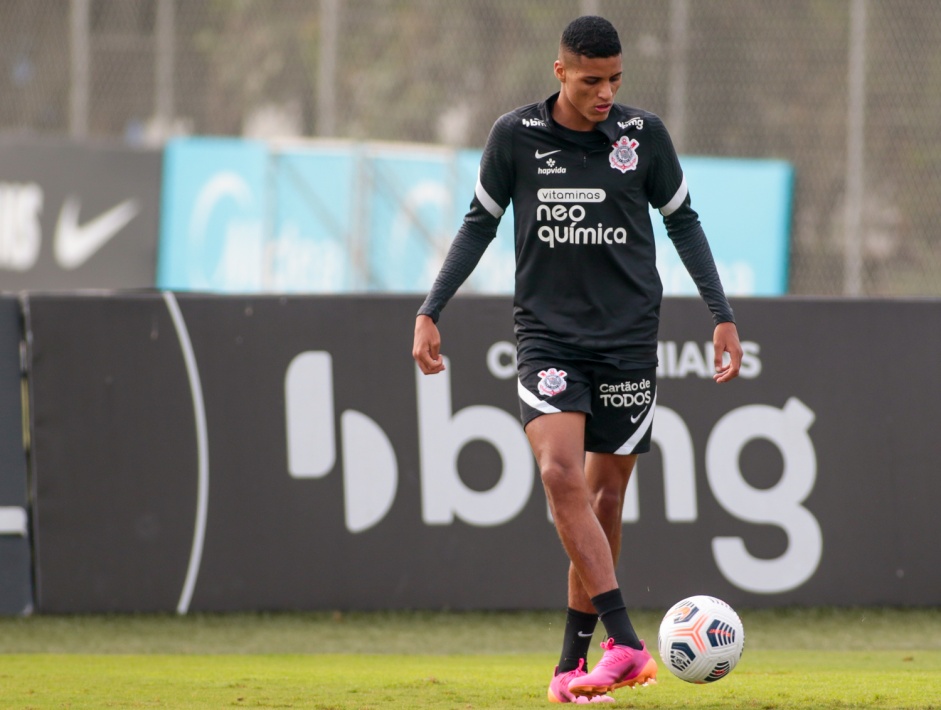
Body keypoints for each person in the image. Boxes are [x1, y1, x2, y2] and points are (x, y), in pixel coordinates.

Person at [412, 15, 742, 703]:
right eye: (591, 81)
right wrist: (430, 308)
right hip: (548, 338)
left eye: (614, 81)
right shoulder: (516, 137)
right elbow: (479, 223)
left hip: (626, 340)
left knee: (604, 498)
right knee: (559, 472)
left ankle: (571, 665)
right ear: (559, 72)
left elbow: (683, 221)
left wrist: (721, 316)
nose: (604, 94)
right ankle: (625, 642)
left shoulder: (642, 138)